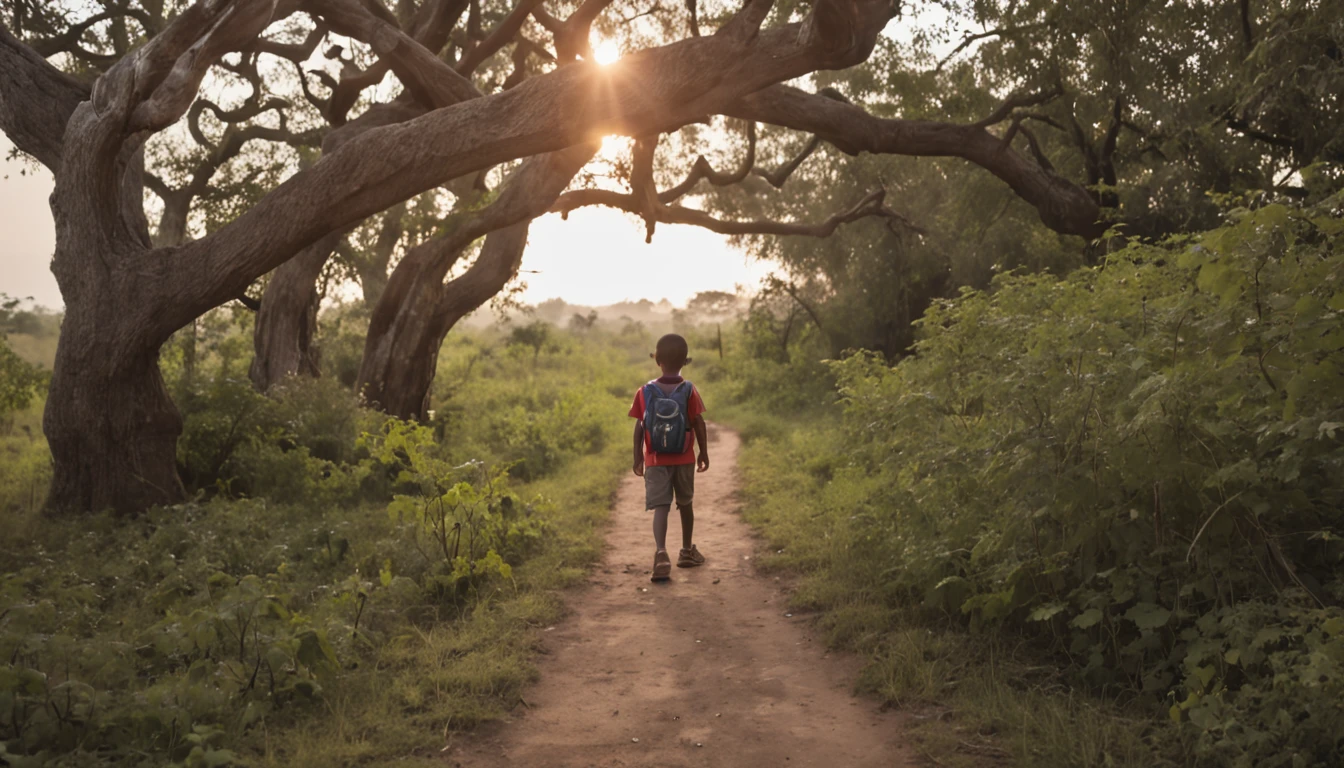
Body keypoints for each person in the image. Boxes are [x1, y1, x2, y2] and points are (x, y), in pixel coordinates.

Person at [628, 333, 710, 582]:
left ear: (658, 361)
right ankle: (686, 551)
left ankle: (661, 553)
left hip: (655, 459)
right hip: (684, 458)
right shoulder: (688, 390)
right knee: (686, 504)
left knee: (660, 508)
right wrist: (702, 452)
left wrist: (637, 458)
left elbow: (640, 426)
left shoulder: (645, 392)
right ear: (685, 361)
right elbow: (698, 422)